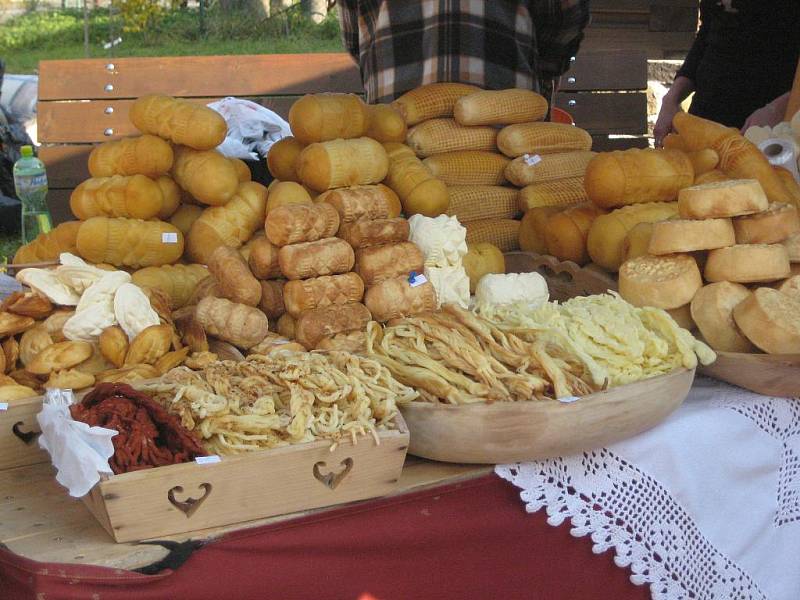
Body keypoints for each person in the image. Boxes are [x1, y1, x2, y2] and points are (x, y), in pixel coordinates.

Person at [337, 0, 591, 105]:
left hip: (396, 119)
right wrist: (546, 70)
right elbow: (563, 15)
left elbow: (354, 35)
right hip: (504, 114)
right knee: (512, 213)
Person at [654, 0, 800, 146]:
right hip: (705, 121)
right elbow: (709, 33)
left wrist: (778, 109)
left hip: (772, 133)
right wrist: (672, 98)